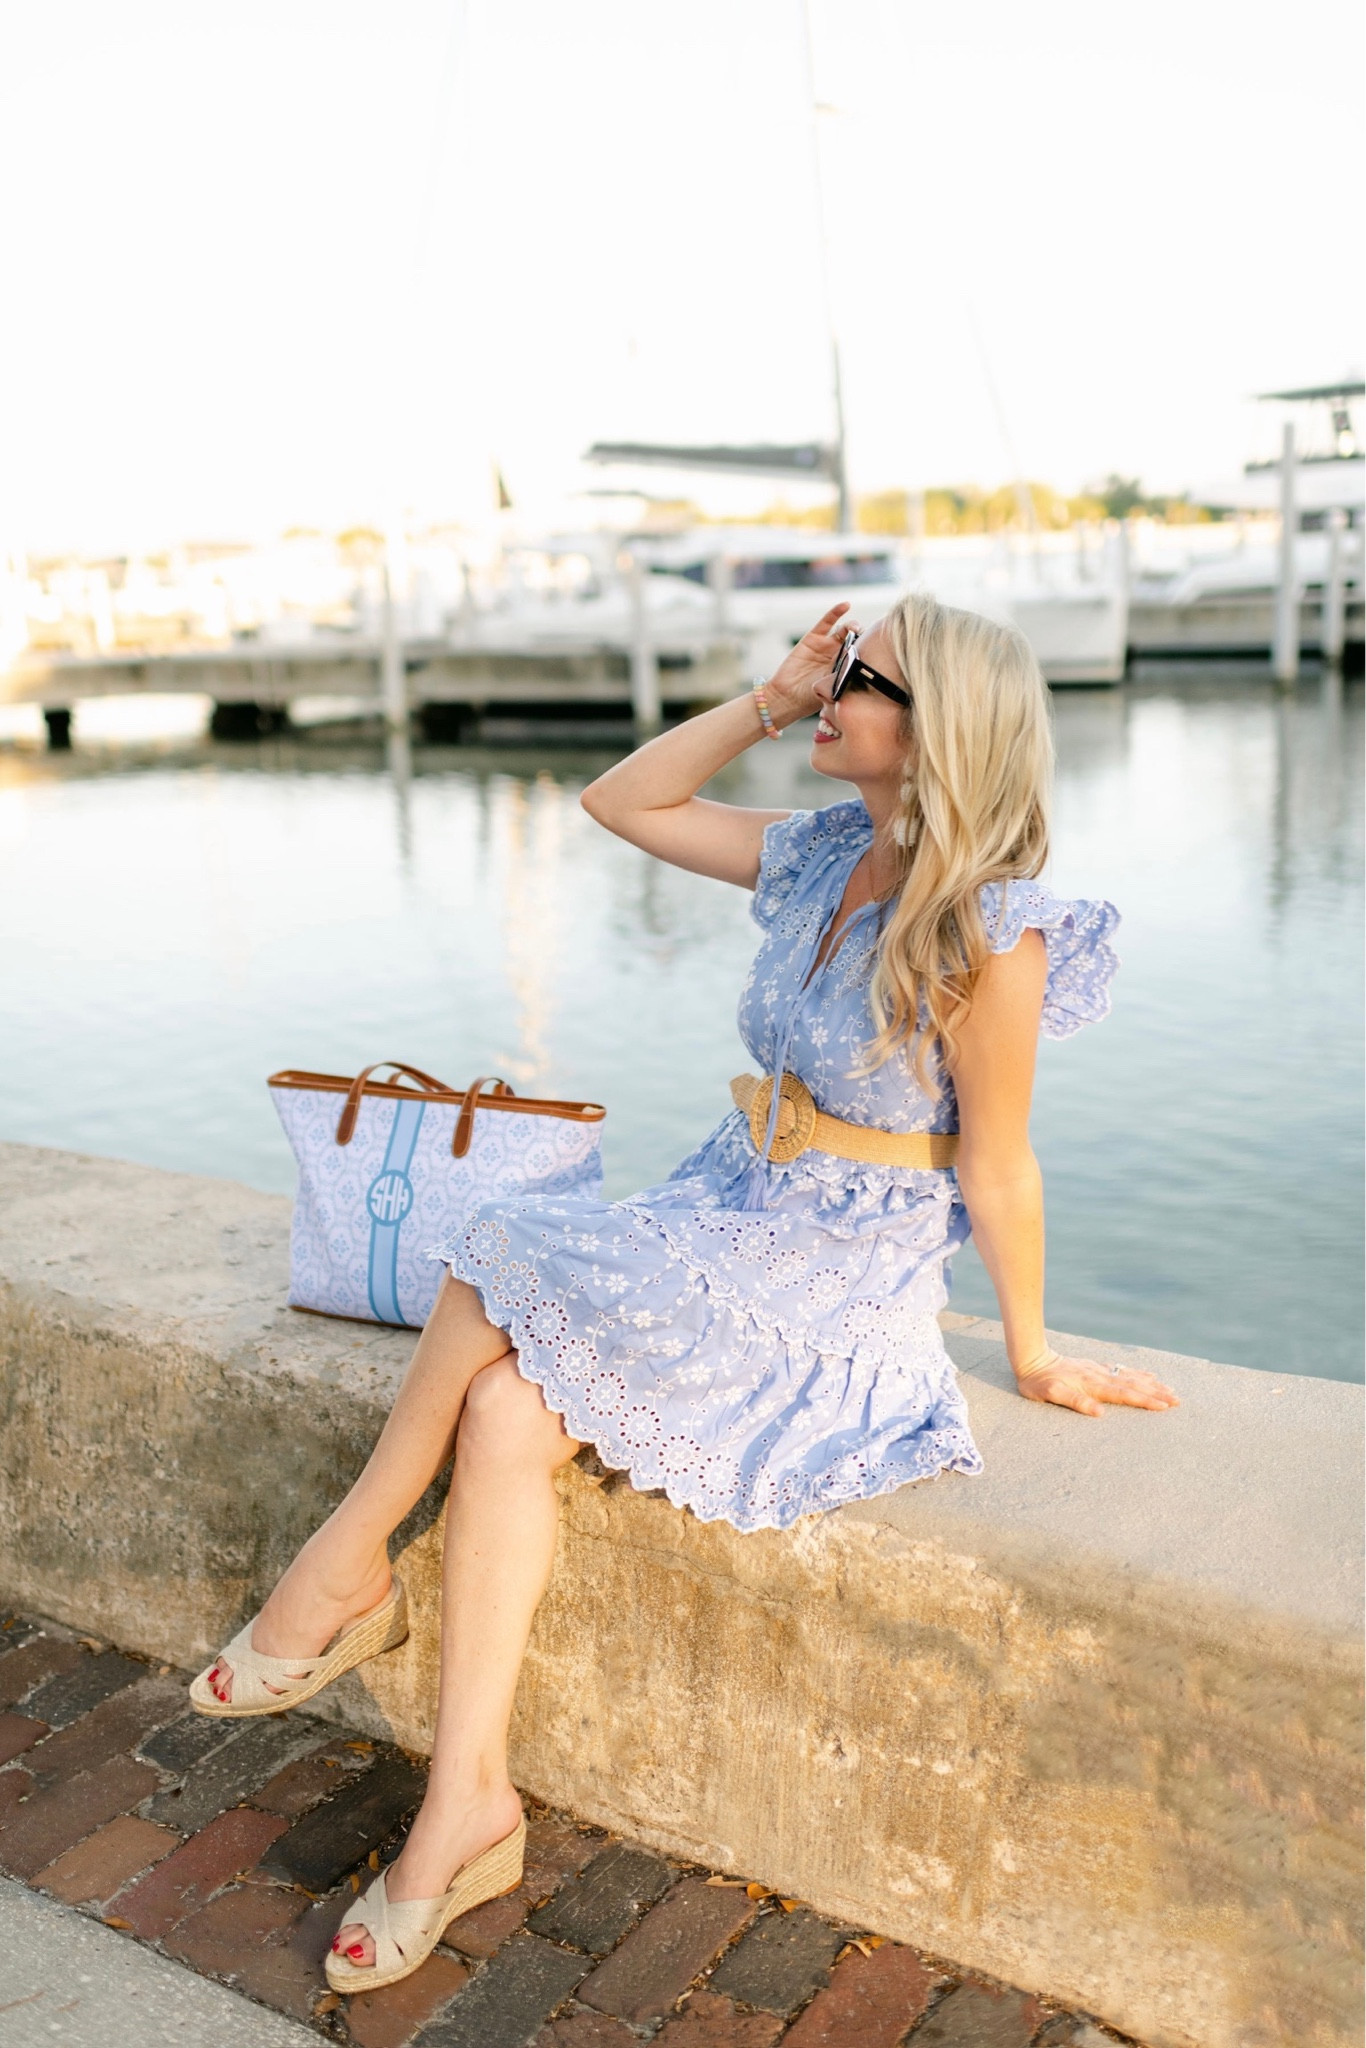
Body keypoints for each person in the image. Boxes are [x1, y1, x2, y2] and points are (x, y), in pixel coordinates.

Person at [190, 592, 1177, 1994]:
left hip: (839, 1278)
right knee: (503, 1413)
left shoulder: (989, 928)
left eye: (860, 676)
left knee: (498, 1244)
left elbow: (1000, 1163)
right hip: (726, 1205)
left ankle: (344, 1566)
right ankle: (465, 1806)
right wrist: (768, 698)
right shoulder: (822, 850)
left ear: (937, 726)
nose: (831, 687)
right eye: (836, 667)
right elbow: (622, 800)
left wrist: (1030, 1349)